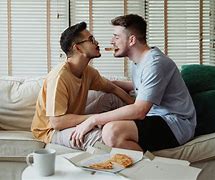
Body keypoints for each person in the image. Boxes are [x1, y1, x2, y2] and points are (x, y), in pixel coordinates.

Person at [71, 14, 196, 152]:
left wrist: (93, 120)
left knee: (112, 131)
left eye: (116, 37)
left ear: (131, 40)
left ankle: (148, 169)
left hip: (176, 123)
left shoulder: (155, 63)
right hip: (155, 118)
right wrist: (108, 84)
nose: (112, 41)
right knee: (107, 109)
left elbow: (140, 110)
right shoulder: (138, 61)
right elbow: (143, 86)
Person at [31, 22, 134, 151]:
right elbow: (57, 122)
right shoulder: (59, 77)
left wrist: (137, 107)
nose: (97, 43)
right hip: (50, 130)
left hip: (72, 119)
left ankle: (138, 127)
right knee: (101, 138)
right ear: (78, 48)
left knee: (111, 98)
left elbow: (112, 88)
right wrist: (96, 120)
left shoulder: (88, 72)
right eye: (91, 40)